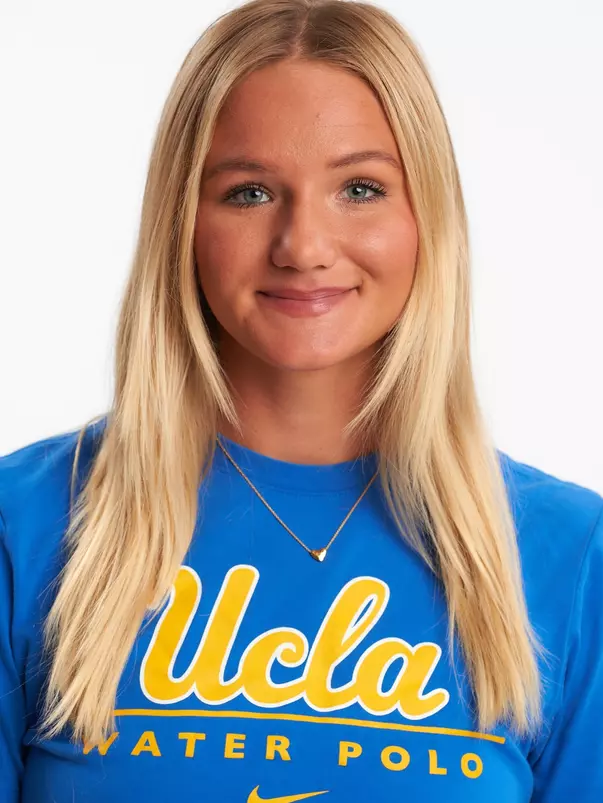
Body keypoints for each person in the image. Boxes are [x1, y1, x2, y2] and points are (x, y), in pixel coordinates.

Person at [1, 0, 602, 800]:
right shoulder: (27, 524)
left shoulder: (569, 556)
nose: (304, 246)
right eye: (249, 193)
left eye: (359, 187)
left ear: (428, 216)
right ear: (182, 220)